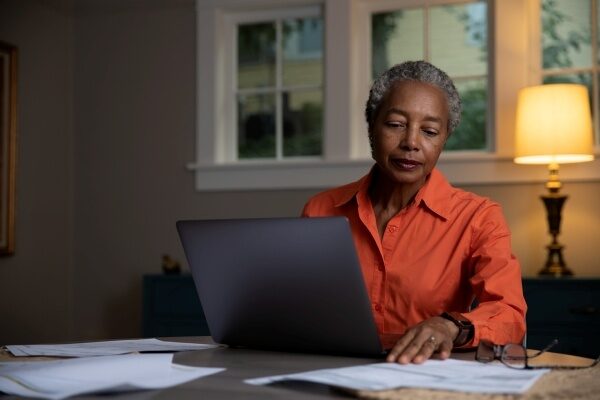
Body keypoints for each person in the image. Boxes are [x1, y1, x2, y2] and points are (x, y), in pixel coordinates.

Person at [302, 60, 526, 365]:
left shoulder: (479, 218)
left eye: (430, 131)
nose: (410, 143)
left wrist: (451, 326)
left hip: (422, 379)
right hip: (326, 370)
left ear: (444, 138)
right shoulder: (321, 210)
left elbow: (510, 314)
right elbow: (299, 306)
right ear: (371, 127)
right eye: (395, 124)